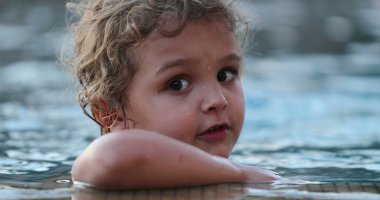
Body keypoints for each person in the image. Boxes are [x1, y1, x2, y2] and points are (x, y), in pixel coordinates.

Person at [64, 0, 280, 189]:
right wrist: (241, 175)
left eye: (225, 74)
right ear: (112, 114)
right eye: (178, 84)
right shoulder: (239, 174)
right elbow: (108, 157)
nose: (217, 100)